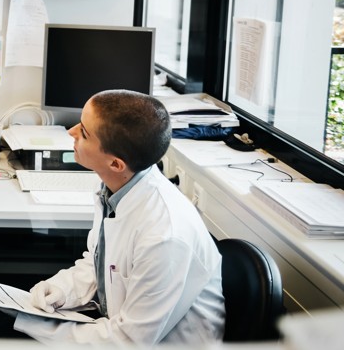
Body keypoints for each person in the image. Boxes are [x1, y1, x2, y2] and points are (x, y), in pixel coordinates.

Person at [12, 89, 225, 345]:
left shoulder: (164, 236)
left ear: (115, 164)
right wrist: (62, 289)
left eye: (84, 132)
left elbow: (127, 341)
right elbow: (100, 263)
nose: (71, 132)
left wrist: (35, 324)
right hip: (117, 328)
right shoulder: (117, 190)